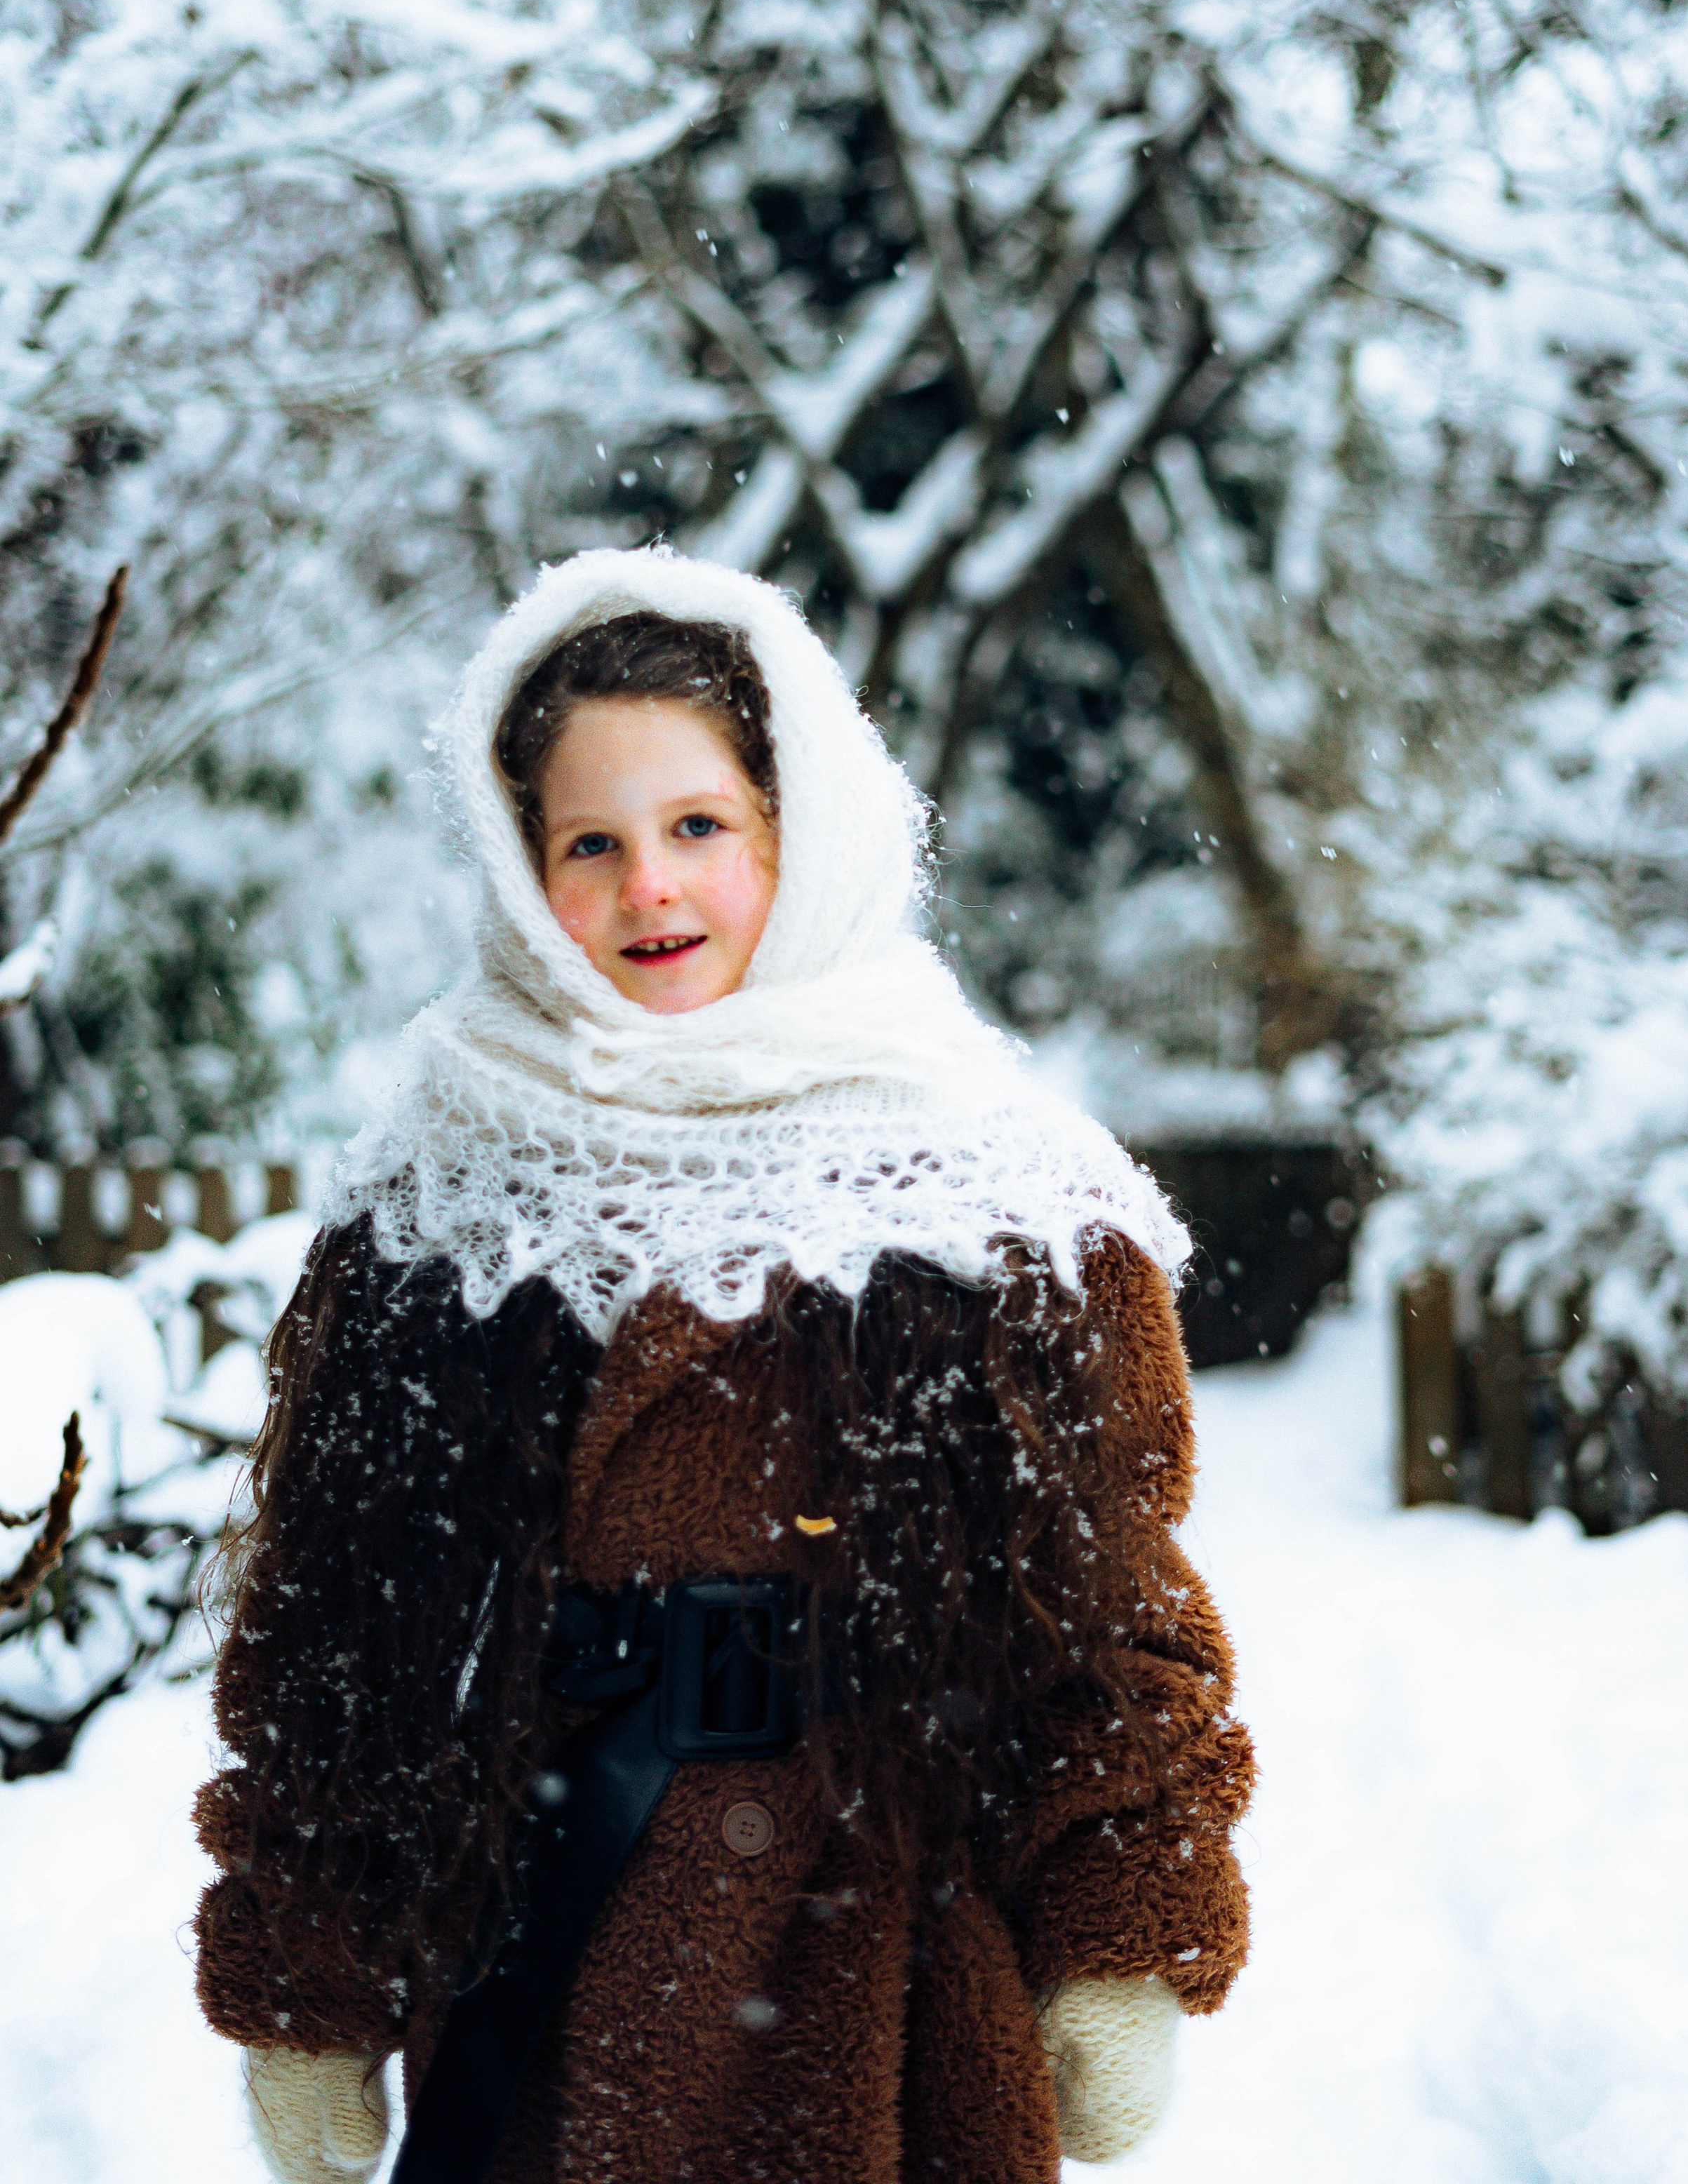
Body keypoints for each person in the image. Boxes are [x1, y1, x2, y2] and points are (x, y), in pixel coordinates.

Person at [192, 547, 1254, 2184]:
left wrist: (1121, 1935)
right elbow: (341, 1622)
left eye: (699, 829)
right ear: (516, 866)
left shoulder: (994, 1190)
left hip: (885, 1950)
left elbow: (1104, 1597)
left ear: (796, 828)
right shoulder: (441, 1194)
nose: (649, 892)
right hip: (546, 1935)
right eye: (588, 846)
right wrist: (304, 1984)